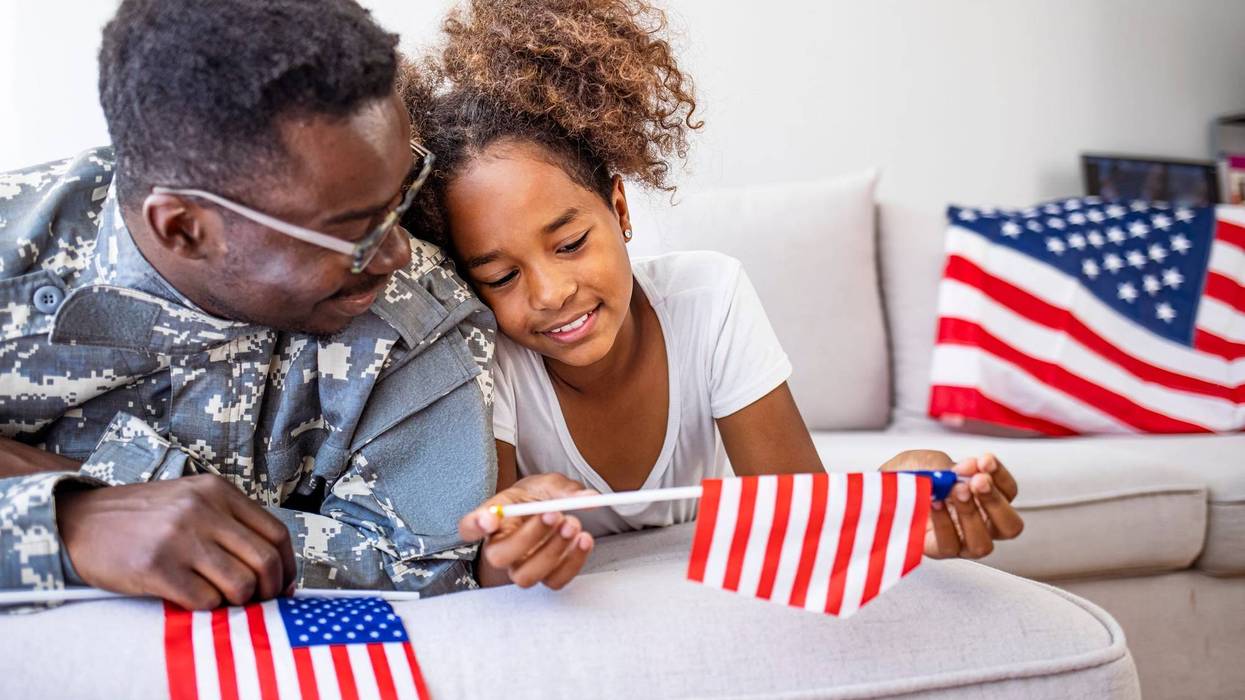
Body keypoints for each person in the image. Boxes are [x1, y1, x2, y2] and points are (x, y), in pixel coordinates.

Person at [0, 0, 591, 610]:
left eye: (401, 193)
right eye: (353, 231)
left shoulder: (414, 316)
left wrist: (77, 486)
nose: (395, 254)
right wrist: (70, 525)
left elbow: (423, 576)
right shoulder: (14, 256)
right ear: (184, 229)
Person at [401, 0, 1023, 572]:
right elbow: (485, 572)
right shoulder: (491, 356)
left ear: (619, 208)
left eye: (570, 244)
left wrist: (902, 492)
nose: (550, 292)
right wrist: (509, 545)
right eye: (501, 276)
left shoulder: (709, 300)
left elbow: (805, 523)